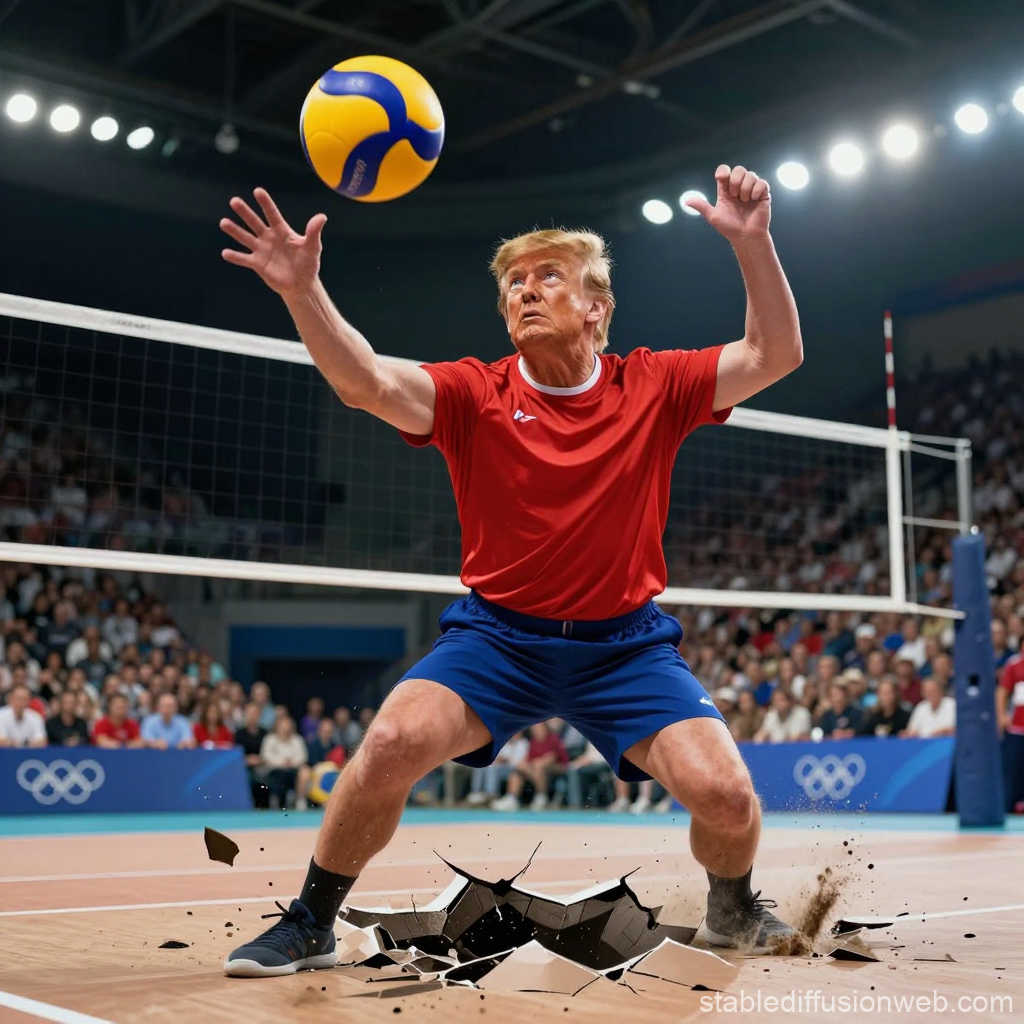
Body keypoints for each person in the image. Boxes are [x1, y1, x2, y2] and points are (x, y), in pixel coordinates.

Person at [220, 165, 803, 976]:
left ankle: (732, 908)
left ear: (596, 307)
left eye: (548, 276)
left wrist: (753, 244)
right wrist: (302, 290)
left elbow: (776, 353)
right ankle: (312, 920)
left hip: (623, 648)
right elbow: (365, 382)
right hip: (497, 640)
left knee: (728, 798)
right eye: (514, 284)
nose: (525, 291)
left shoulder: (654, 383)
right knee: (389, 742)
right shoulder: (474, 393)